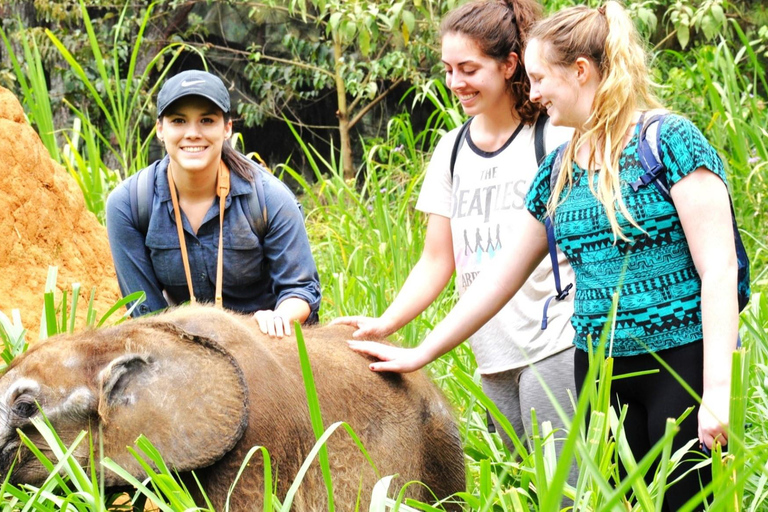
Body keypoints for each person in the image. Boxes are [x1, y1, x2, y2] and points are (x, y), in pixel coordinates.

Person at [349, 2, 738, 509]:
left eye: (538, 78)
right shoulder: (559, 169)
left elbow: (719, 270)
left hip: (678, 362)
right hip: (600, 369)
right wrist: (420, 350)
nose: (531, 94)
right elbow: (497, 278)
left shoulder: (668, 141)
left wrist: (718, 393)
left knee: (685, 500)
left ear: (580, 72)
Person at [334, 0, 578, 481]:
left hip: (556, 339)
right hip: (490, 350)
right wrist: (385, 323)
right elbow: (436, 260)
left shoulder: (552, 136)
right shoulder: (452, 150)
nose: (455, 83)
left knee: (564, 489)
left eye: (469, 68)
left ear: (510, 65)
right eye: (448, 69)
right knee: (520, 484)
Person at [106, 70, 321, 337]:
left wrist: (279, 317)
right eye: (179, 121)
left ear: (227, 128)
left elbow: (301, 290)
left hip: (265, 344)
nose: (193, 133)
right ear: (160, 129)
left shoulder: (269, 198)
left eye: (207, 120)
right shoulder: (128, 204)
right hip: (180, 346)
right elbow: (146, 314)